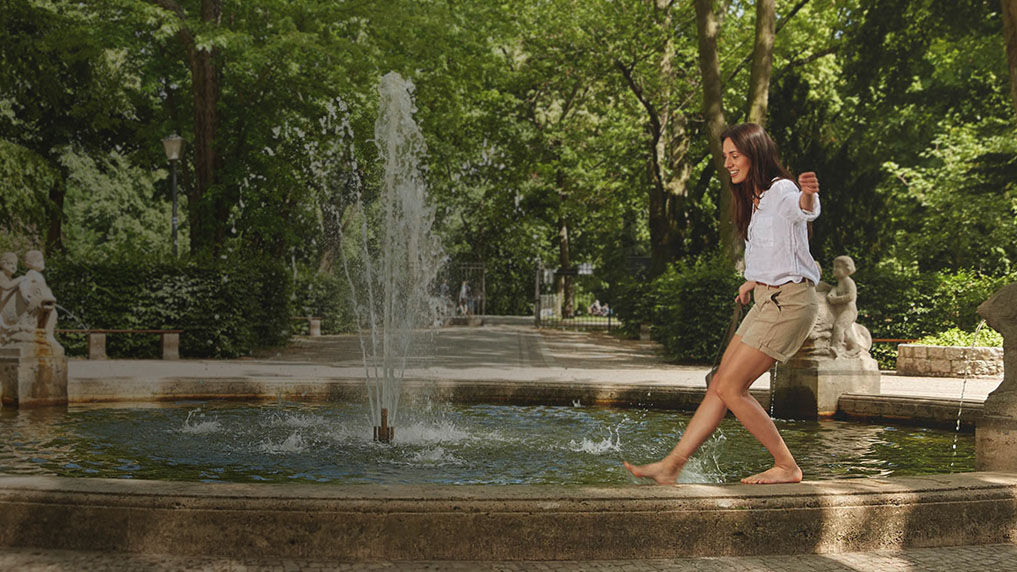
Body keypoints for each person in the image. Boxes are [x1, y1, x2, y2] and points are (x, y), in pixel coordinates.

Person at [625, 123, 821, 485]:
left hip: (789, 303)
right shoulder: (756, 200)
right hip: (768, 298)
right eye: (725, 157)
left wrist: (808, 194)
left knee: (732, 388)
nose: (728, 163)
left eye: (735, 155)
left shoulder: (782, 190)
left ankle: (787, 466)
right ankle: (672, 466)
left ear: (755, 153)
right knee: (719, 382)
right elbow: (778, 250)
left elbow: (803, 210)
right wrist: (754, 280)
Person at [826, 255, 858, 356]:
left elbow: (851, 296)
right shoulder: (839, 284)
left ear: (847, 269)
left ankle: (836, 347)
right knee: (847, 332)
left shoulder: (848, 281)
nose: (835, 269)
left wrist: (835, 300)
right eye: (834, 267)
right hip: (841, 310)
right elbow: (833, 291)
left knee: (839, 326)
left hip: (849, 310)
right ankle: (855, 347)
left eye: (838, 267)